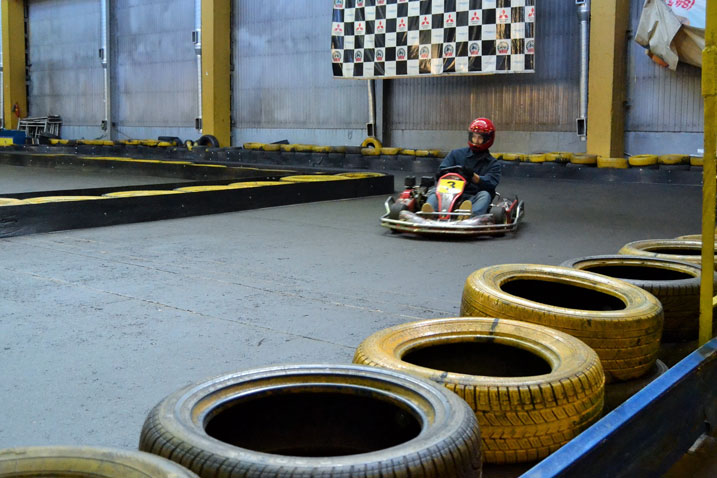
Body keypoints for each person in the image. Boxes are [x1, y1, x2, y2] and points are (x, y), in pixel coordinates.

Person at [422, 117, 502, 217]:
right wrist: (447, 173)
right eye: (474, 137)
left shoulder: (493, 164)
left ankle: (469, 216)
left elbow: (490, 184)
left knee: (485, 195)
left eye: (480, 138)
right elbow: (442, 170)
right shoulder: (456, 154)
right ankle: (430, 213)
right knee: (435, 190)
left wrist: (473, 176)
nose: (476, 140)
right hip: (448, 193)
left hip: (472, 197)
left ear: (488, 139)